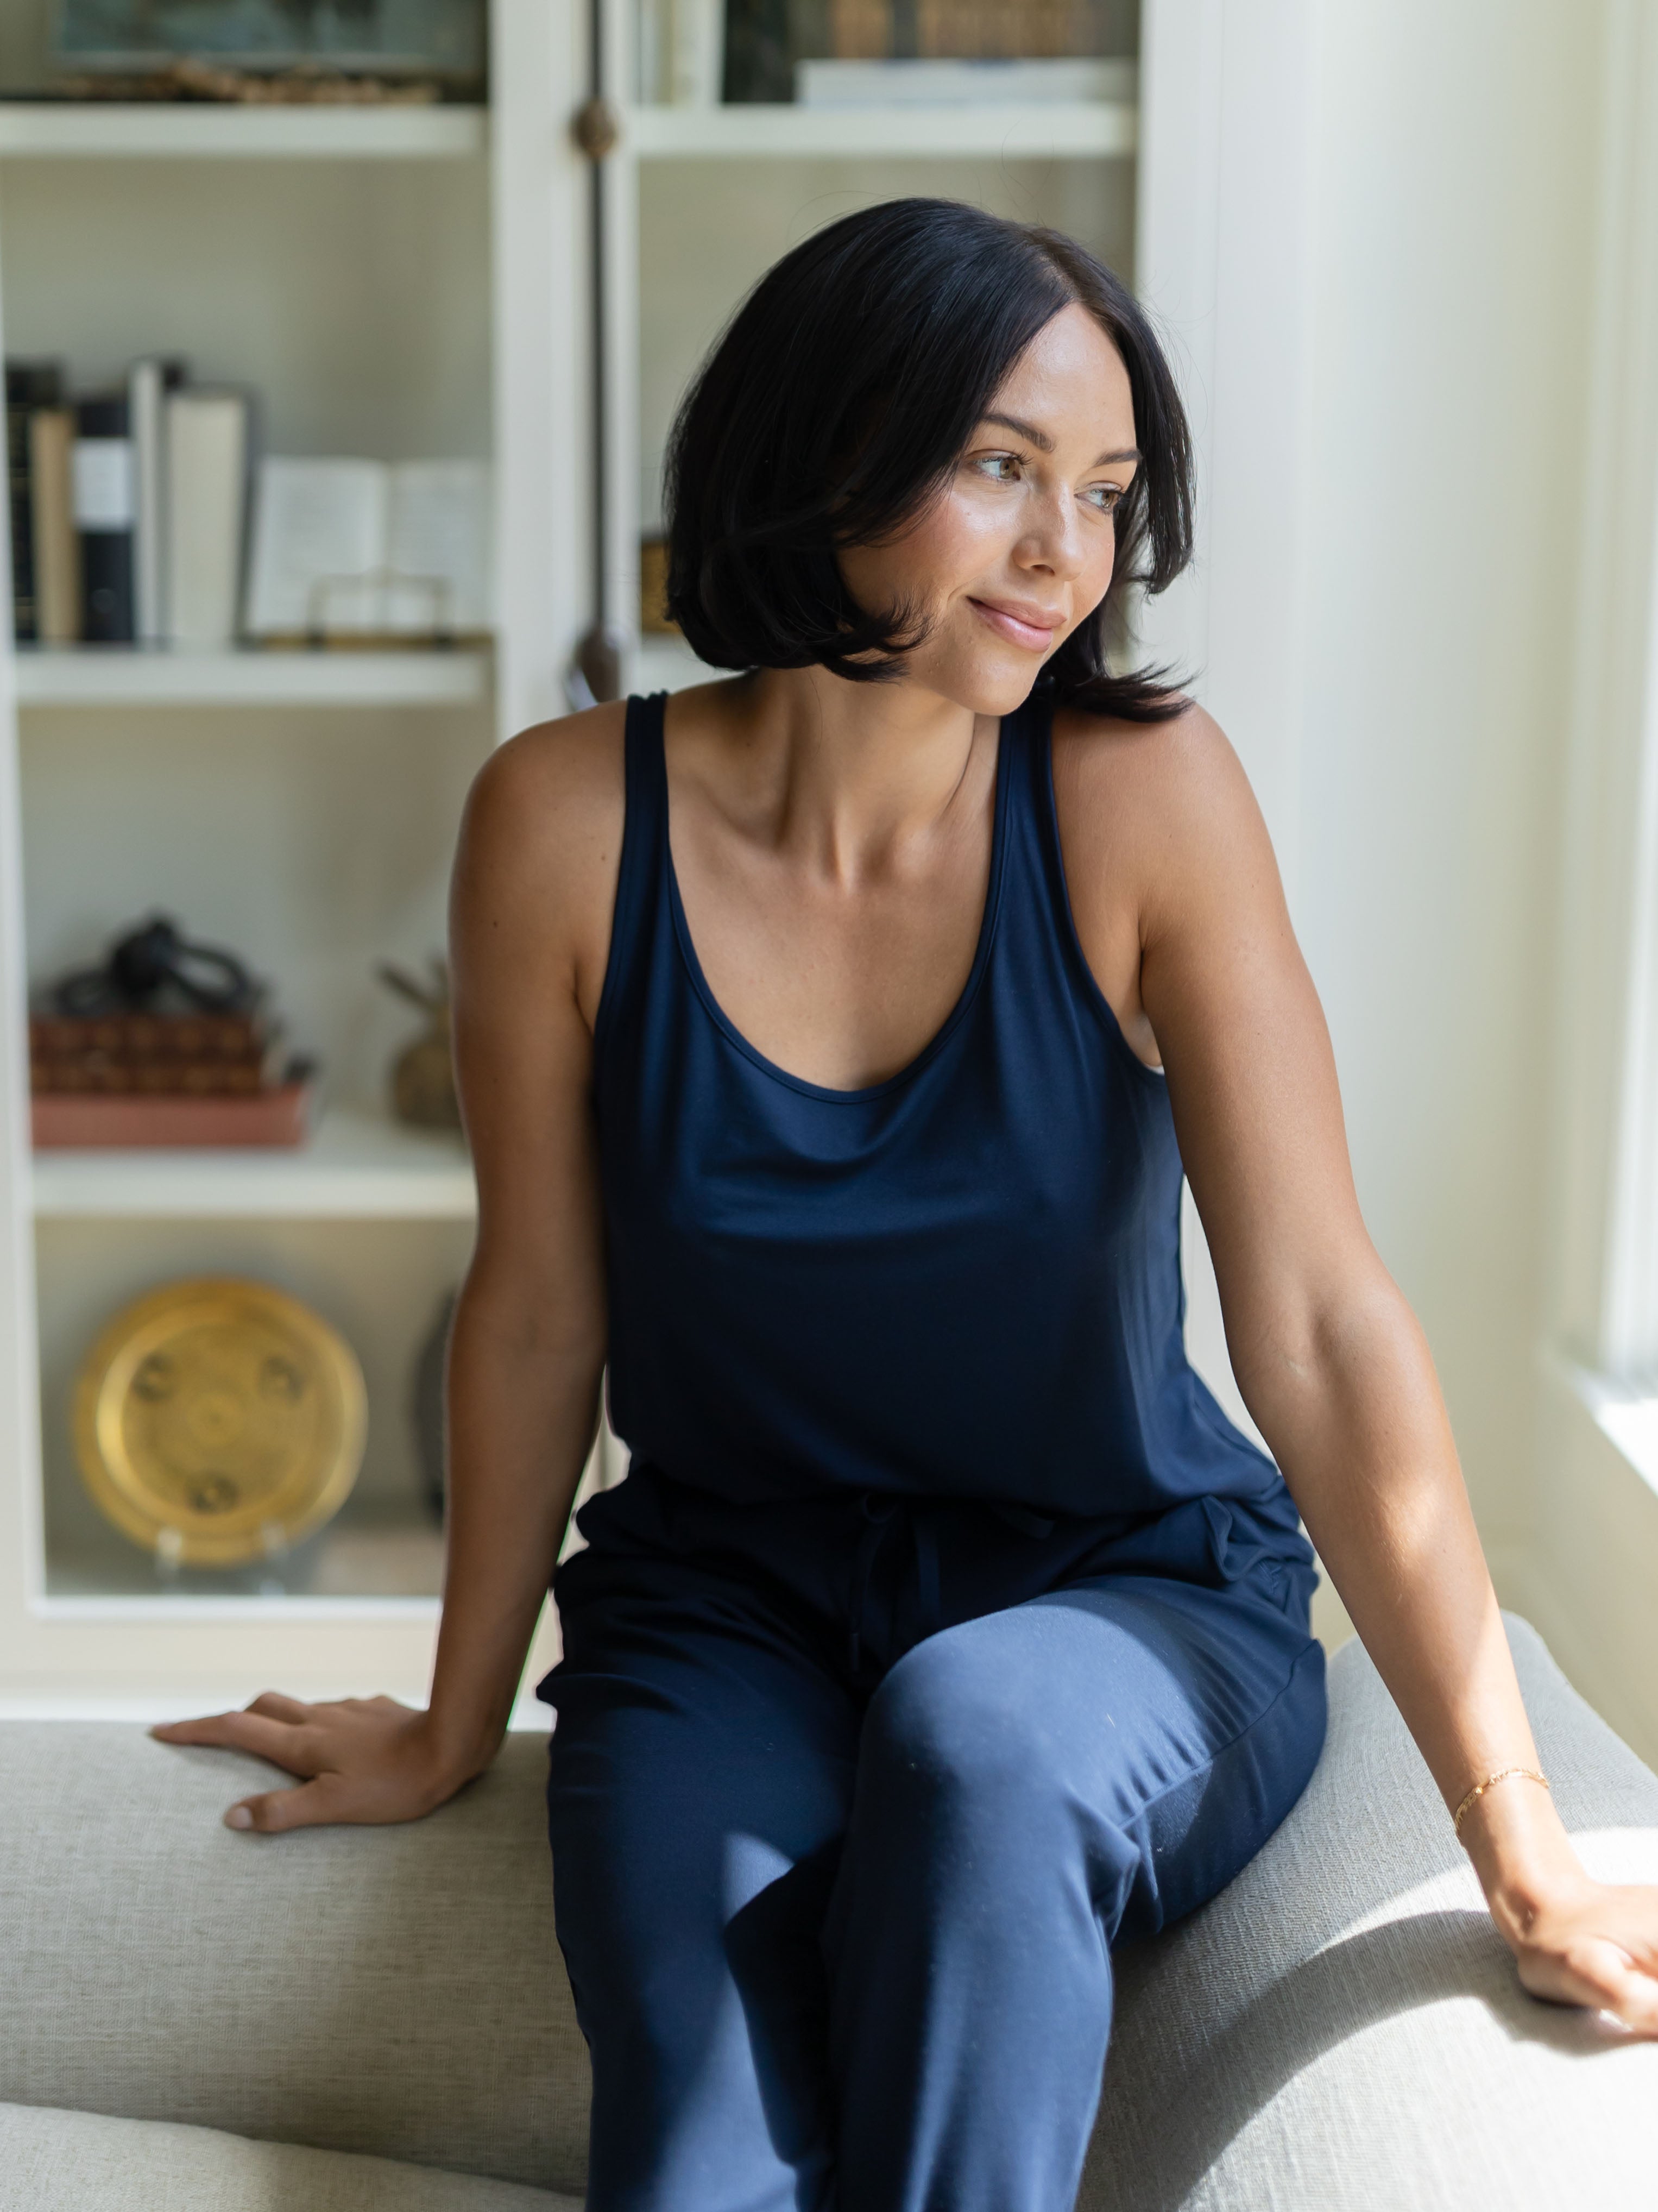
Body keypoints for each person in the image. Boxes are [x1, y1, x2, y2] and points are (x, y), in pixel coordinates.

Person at [154, 199, 1658, 2210]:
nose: (1067, 554)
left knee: (983, 1733)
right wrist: (452, 1715)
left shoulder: (1143, 799)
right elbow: (533, 1313)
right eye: (999, 468)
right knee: (696, 2163)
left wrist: (1521, 1836)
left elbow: (1317, 1325)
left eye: (1108, 492)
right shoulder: (560, 825)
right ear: (829, 453)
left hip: (1128, 1593)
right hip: (724, 1602)